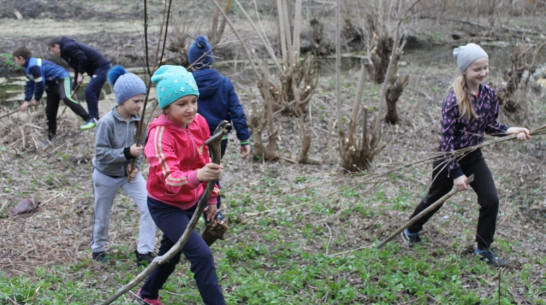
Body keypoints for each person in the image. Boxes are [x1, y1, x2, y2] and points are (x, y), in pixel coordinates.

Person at [400, 43, 531, 267]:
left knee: (491, 200)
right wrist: (457, 174)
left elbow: (490, 126)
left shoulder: (488, 94)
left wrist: (512, 130)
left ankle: (483, 248)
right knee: (435, 199)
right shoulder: (453, 100)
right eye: (477, 69)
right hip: (448, 158)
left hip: (473, 155)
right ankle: (411, 230)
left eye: (485, 68)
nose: (483, 73)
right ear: (465, 71)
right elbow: (447, 141)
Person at [137, 65, 225, 305]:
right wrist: (199, 175)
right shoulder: (159, 136)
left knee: (171, 253)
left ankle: (147, 296)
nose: (191, 109)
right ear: (167, 106)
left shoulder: (199, 123)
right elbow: (171, 180)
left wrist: (212, 197)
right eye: (182, 103)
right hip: (165, 204)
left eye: (193, 101)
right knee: (202, 255)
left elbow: (207, 161)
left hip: (192, 200)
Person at [90, 66, 156, 265]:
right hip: (106, 175)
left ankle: (144, 251)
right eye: (135, 101)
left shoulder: (139, 122)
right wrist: (126, 153)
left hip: (129, 175)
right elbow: (101, 154)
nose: (139, 105)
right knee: (102, 213)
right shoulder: (107, 122)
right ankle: (98, 249)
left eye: (142, 100)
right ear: (122, 100)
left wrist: (135, 165)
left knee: (149, 205)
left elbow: (142, 148)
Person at [188, 35, 251, 223]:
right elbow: (237, 112)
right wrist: (244, 139)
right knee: (212, 171)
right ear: (211, 60)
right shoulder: (224, 83)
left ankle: (193, 210)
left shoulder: (187, 84)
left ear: (192, 62)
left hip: (192, 140)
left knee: (193, 172)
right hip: (218, 141)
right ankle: (214, 213)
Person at [13, 46, 96, 142]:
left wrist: (37, 99)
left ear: (21, 58)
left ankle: (89, 119)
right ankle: (51, 137)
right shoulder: (27, 68)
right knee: (50, 111)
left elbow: (40, 83)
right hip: (51, 85)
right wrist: (27, 100)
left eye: (15, 60)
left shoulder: (33, 66)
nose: (16, 62)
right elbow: (29, 85)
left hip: (62, 79)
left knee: (66, 97)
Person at [48, 36, 111, 121]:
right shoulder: (66, 53)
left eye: (52, 50)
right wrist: (73, 88)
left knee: (90, 91)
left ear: (56, 46)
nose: (53, 53)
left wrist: (80, 74)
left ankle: (93, 118)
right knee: (93, 93)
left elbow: (82, 58)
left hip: (101, 68)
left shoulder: (68, 47)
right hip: (95, 71)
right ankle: (96, 119)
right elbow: (76, 68)